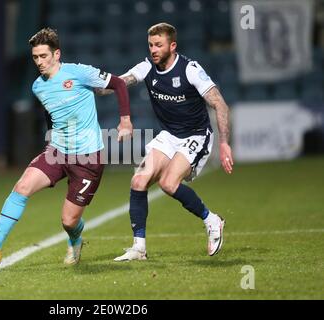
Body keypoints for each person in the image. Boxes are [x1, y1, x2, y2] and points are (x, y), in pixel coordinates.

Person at [0, 27, 133, 265]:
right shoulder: (38, 86)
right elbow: (51, 112)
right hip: (57, 151)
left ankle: (75, 240)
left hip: (88, 158)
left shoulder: (78, 73)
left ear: (57, 54)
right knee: (22, 186)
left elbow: (118, 84)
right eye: (35, 57)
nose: (39, 62)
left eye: (43, 56)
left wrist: (125, 121)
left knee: (68, 221)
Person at [95, 22, 233, 261]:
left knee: (169, 184)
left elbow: (219, 103)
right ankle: (139, 248)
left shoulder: (190, 69)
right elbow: (117, 84)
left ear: (172, 45)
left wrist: (224, 143)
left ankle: (212, 221)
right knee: (138, 180)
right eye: (150, 45)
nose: (153, 50)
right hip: (168, 136)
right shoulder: (147, 67)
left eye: (158, 45)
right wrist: (87, 82)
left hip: (195, 135)